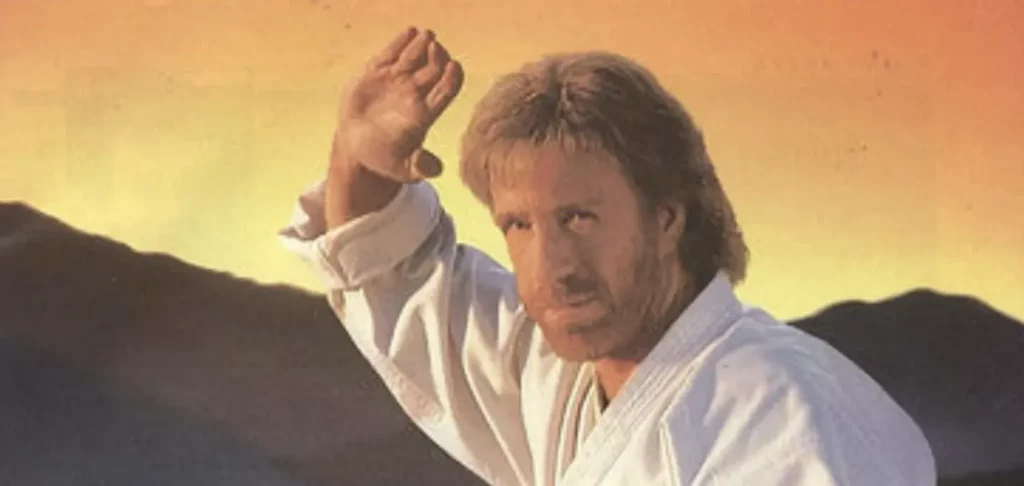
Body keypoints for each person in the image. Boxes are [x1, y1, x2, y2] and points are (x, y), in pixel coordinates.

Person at [279, 27, 936, 485]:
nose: (551, 265)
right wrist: (359, 160)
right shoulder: (562, 376)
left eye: (578, 218)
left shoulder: (785, 424)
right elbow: (400, 275)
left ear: (667, 216)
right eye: (518, 224)